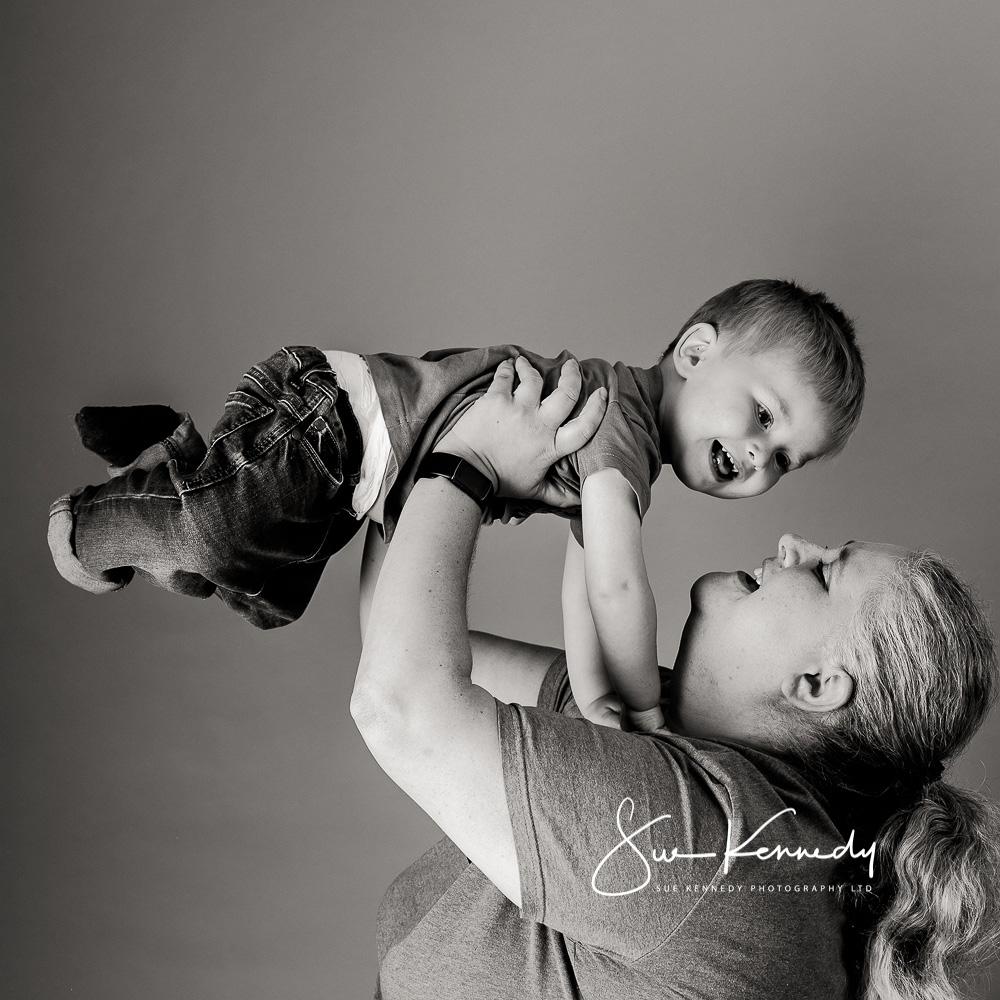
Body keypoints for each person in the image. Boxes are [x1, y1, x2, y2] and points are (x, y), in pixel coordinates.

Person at [352, 357, 1000, 1000]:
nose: (794, 542)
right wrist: (438, 468)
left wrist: (466, 460)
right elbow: (395, 635)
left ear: (818, 685)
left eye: (827, 571)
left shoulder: (714, 854)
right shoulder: (668, 733)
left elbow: (400, 704)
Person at [47, 279, 863, 732]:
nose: (759, 456)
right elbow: (616, 587)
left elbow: (584, 593)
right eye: (762, 415)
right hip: (337, 421)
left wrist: (600, 705)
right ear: (693, 353)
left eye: (783, 459)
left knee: (265, 595)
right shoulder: (618, 422)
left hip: (359, 491)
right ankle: (89, 522)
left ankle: (171, 454)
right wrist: (645, 704)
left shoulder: (628, 462)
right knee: (221, 535)